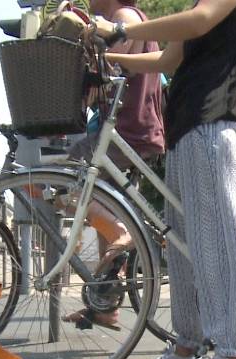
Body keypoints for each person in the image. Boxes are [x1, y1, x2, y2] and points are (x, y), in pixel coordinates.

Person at [93, 0, 236, 359]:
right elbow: (168, 61)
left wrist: (120, 31)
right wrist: (106, 56)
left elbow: (199, 20)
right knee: (186, 245)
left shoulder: (208, 7)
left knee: (222, 239)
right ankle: (188, 346)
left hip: (215, 118)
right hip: (187, 124)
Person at [61, 0, 165, 331]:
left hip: (127, 130)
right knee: (103, 218)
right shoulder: (133, 17)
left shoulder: (124, 18)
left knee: (64, 181)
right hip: (135, 129)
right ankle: (105, 307)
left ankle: (126, 233)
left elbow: (104, 75)